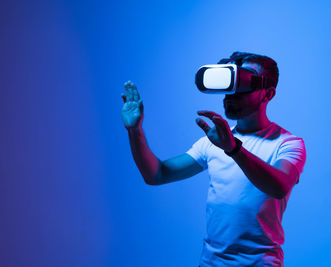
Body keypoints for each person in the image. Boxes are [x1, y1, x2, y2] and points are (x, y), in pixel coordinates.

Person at [121, 51, 306, 267]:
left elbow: (279, 186)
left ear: (268, 94)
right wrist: (135, 130)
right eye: (230, 85)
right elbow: (157, 174)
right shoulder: (214, 141)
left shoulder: (287, 143)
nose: (231, 94)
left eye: (244, 83)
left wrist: (234, 149)